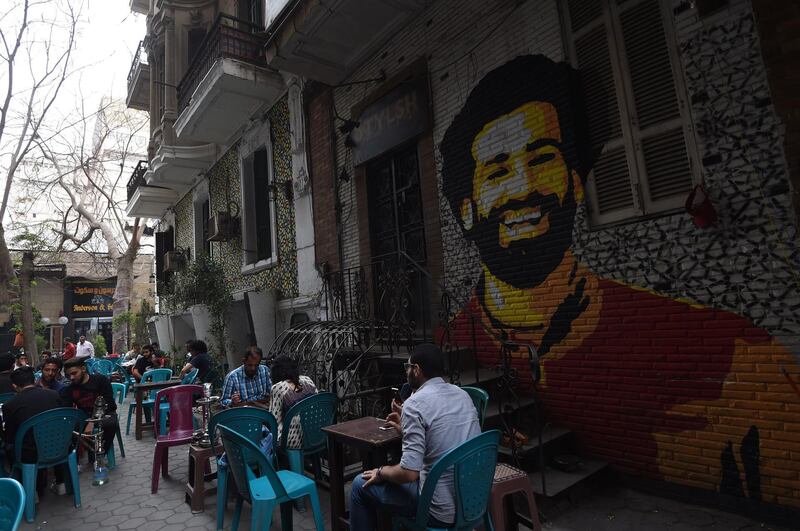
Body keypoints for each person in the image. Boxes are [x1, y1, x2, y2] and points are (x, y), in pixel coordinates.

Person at [438, 54, 800, 501]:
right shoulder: (448, 344)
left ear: (574, 179)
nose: (523, 187)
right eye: (496, 171)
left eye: (543, 159)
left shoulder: (734, 359)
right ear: (466, 209)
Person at [350, 344, 479, 530]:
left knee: (358, 486)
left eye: (408, 367)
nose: (407, 371)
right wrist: (407, 428)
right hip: (472, 500)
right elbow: (442, 438)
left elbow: (409, 474)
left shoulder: (414, 404)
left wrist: (381, 471)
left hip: (439, 511)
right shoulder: (462, 395)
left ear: (416, 370)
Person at [1, 366, 65, 496]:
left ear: (14, 386)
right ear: (34, 380)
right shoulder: (53, 395)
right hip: (59, 446)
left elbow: (10, 437)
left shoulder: (10, 405)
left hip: (30, 454)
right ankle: (61, 483)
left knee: (10, 448)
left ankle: (31, 491)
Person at [60, 358, 118, 464]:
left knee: (109, 424)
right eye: (69, 375)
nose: (72, 377)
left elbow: (109, 404)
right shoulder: (70, 389)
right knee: (68, 428)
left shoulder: (100, 380)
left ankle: (100, 455)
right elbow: (66, 409)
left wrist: (93, 420)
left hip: (105, 414)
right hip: (84, 417)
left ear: (83, 369)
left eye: (74, 373)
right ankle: (74, 462)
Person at [268, 355, 316, 448]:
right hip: (314, 433)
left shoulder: (278, 387)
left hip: (294, 440)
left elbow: (274, 420)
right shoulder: (307, 380)